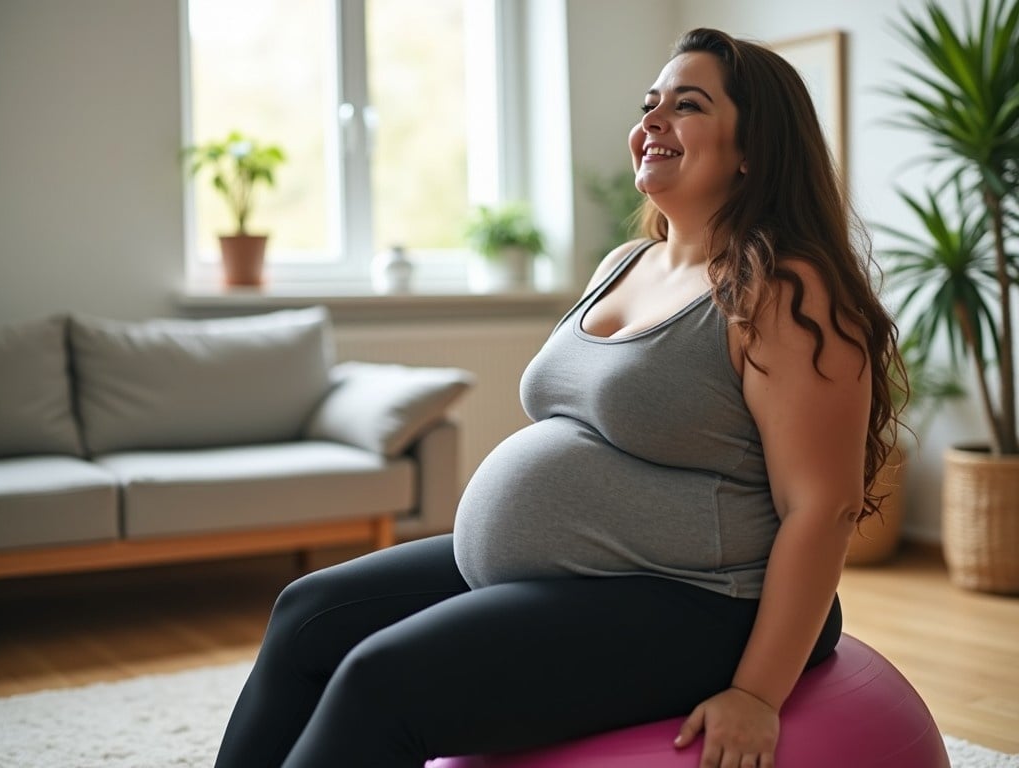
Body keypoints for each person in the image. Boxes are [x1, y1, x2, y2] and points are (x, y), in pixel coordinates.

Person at [213, 27, 904, 768]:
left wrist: (758, 693)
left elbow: (821, 505)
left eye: (689, 105)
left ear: (752, 150)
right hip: (579, 575)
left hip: (704, 601)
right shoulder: (624, 263)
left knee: (380, 682)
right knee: (308, 614)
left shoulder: (783, 288)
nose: (653, 122)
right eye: (651, 104)